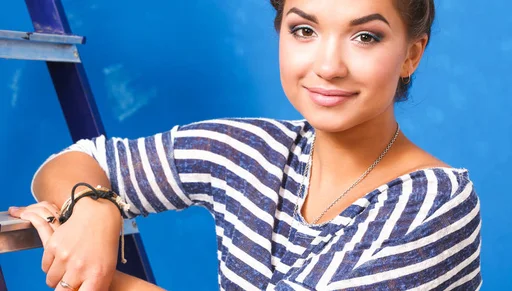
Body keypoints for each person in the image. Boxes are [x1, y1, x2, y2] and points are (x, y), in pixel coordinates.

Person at [8, 0, 482, 290]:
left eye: (365, 36)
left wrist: (93, 275)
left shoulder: (435, 204)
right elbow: (77, 161)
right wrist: (93, 208)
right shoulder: (248, 151)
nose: (329, 65)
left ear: (411, 54)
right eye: (304, 30)